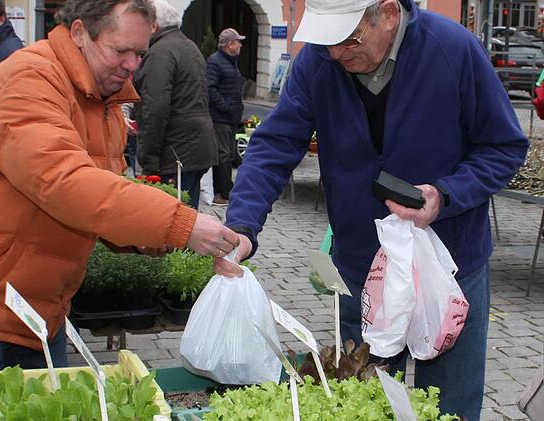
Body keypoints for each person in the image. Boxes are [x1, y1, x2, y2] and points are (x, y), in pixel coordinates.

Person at [213, 1, 529, 420]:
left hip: (451, 267)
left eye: (350, 38)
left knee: (451, 406)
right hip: (363, 265)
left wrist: (445, 195)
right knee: (366, 401)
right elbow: (274, 146)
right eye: (327, 40)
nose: (336, 53)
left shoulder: (454, 49)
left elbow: (503, 147)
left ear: (390, 13)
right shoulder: (316, 63)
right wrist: (242, 226)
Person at [0, 0, 240, 374]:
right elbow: (63, 182)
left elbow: (104, 193)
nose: (133, 65)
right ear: (78, 33)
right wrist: (182, 225)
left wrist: (154, 237)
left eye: (140, 53)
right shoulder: (30, 78)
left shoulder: (102, 98)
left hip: (31, 303)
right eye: (121, 51)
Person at [133, 0, 215, 209]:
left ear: (154, 25)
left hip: (175, 151)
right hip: (193, 147)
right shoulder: (188, 45)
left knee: (172, 223)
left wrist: (148, 161)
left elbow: (155, 108)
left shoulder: (161, 51)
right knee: (187, 214)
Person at [206, 27, 245, 207]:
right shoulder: (216, 61)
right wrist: (226, 107)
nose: (241, 45)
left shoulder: (230, 61)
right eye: (238, 42)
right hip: (220, 118)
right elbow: (210, 89)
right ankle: (222, 193)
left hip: (229, 118)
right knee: (222, 155)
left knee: (228, 154)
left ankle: (226, 190)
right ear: (230, 44)